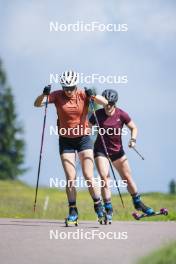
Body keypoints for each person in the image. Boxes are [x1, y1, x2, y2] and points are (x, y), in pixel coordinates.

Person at [34, 70, 108, 224]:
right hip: (66, 140)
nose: (68, 91)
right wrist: (43, 94)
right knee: (71, 178)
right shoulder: (57, 95)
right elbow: (37, 104)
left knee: (88, 175)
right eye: (65, 87)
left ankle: (98, 205)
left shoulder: (82, 94)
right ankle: (73, 210)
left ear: (76, 85)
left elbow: (105, 103)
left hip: (83, 139)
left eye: (71, 88)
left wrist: (92, 95)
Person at [89, 89, 154, 222]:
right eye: (106, 103)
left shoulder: (121, 114)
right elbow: (86, 127)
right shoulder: (97, 114)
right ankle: (108, 207)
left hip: (117, 151)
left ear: (115, 103)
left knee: (127, 178)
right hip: (101, 151)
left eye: (111, 103)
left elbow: (133, 128)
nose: (108, 106)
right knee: (104, 177)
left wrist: (133, 139)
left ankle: (138, 203)